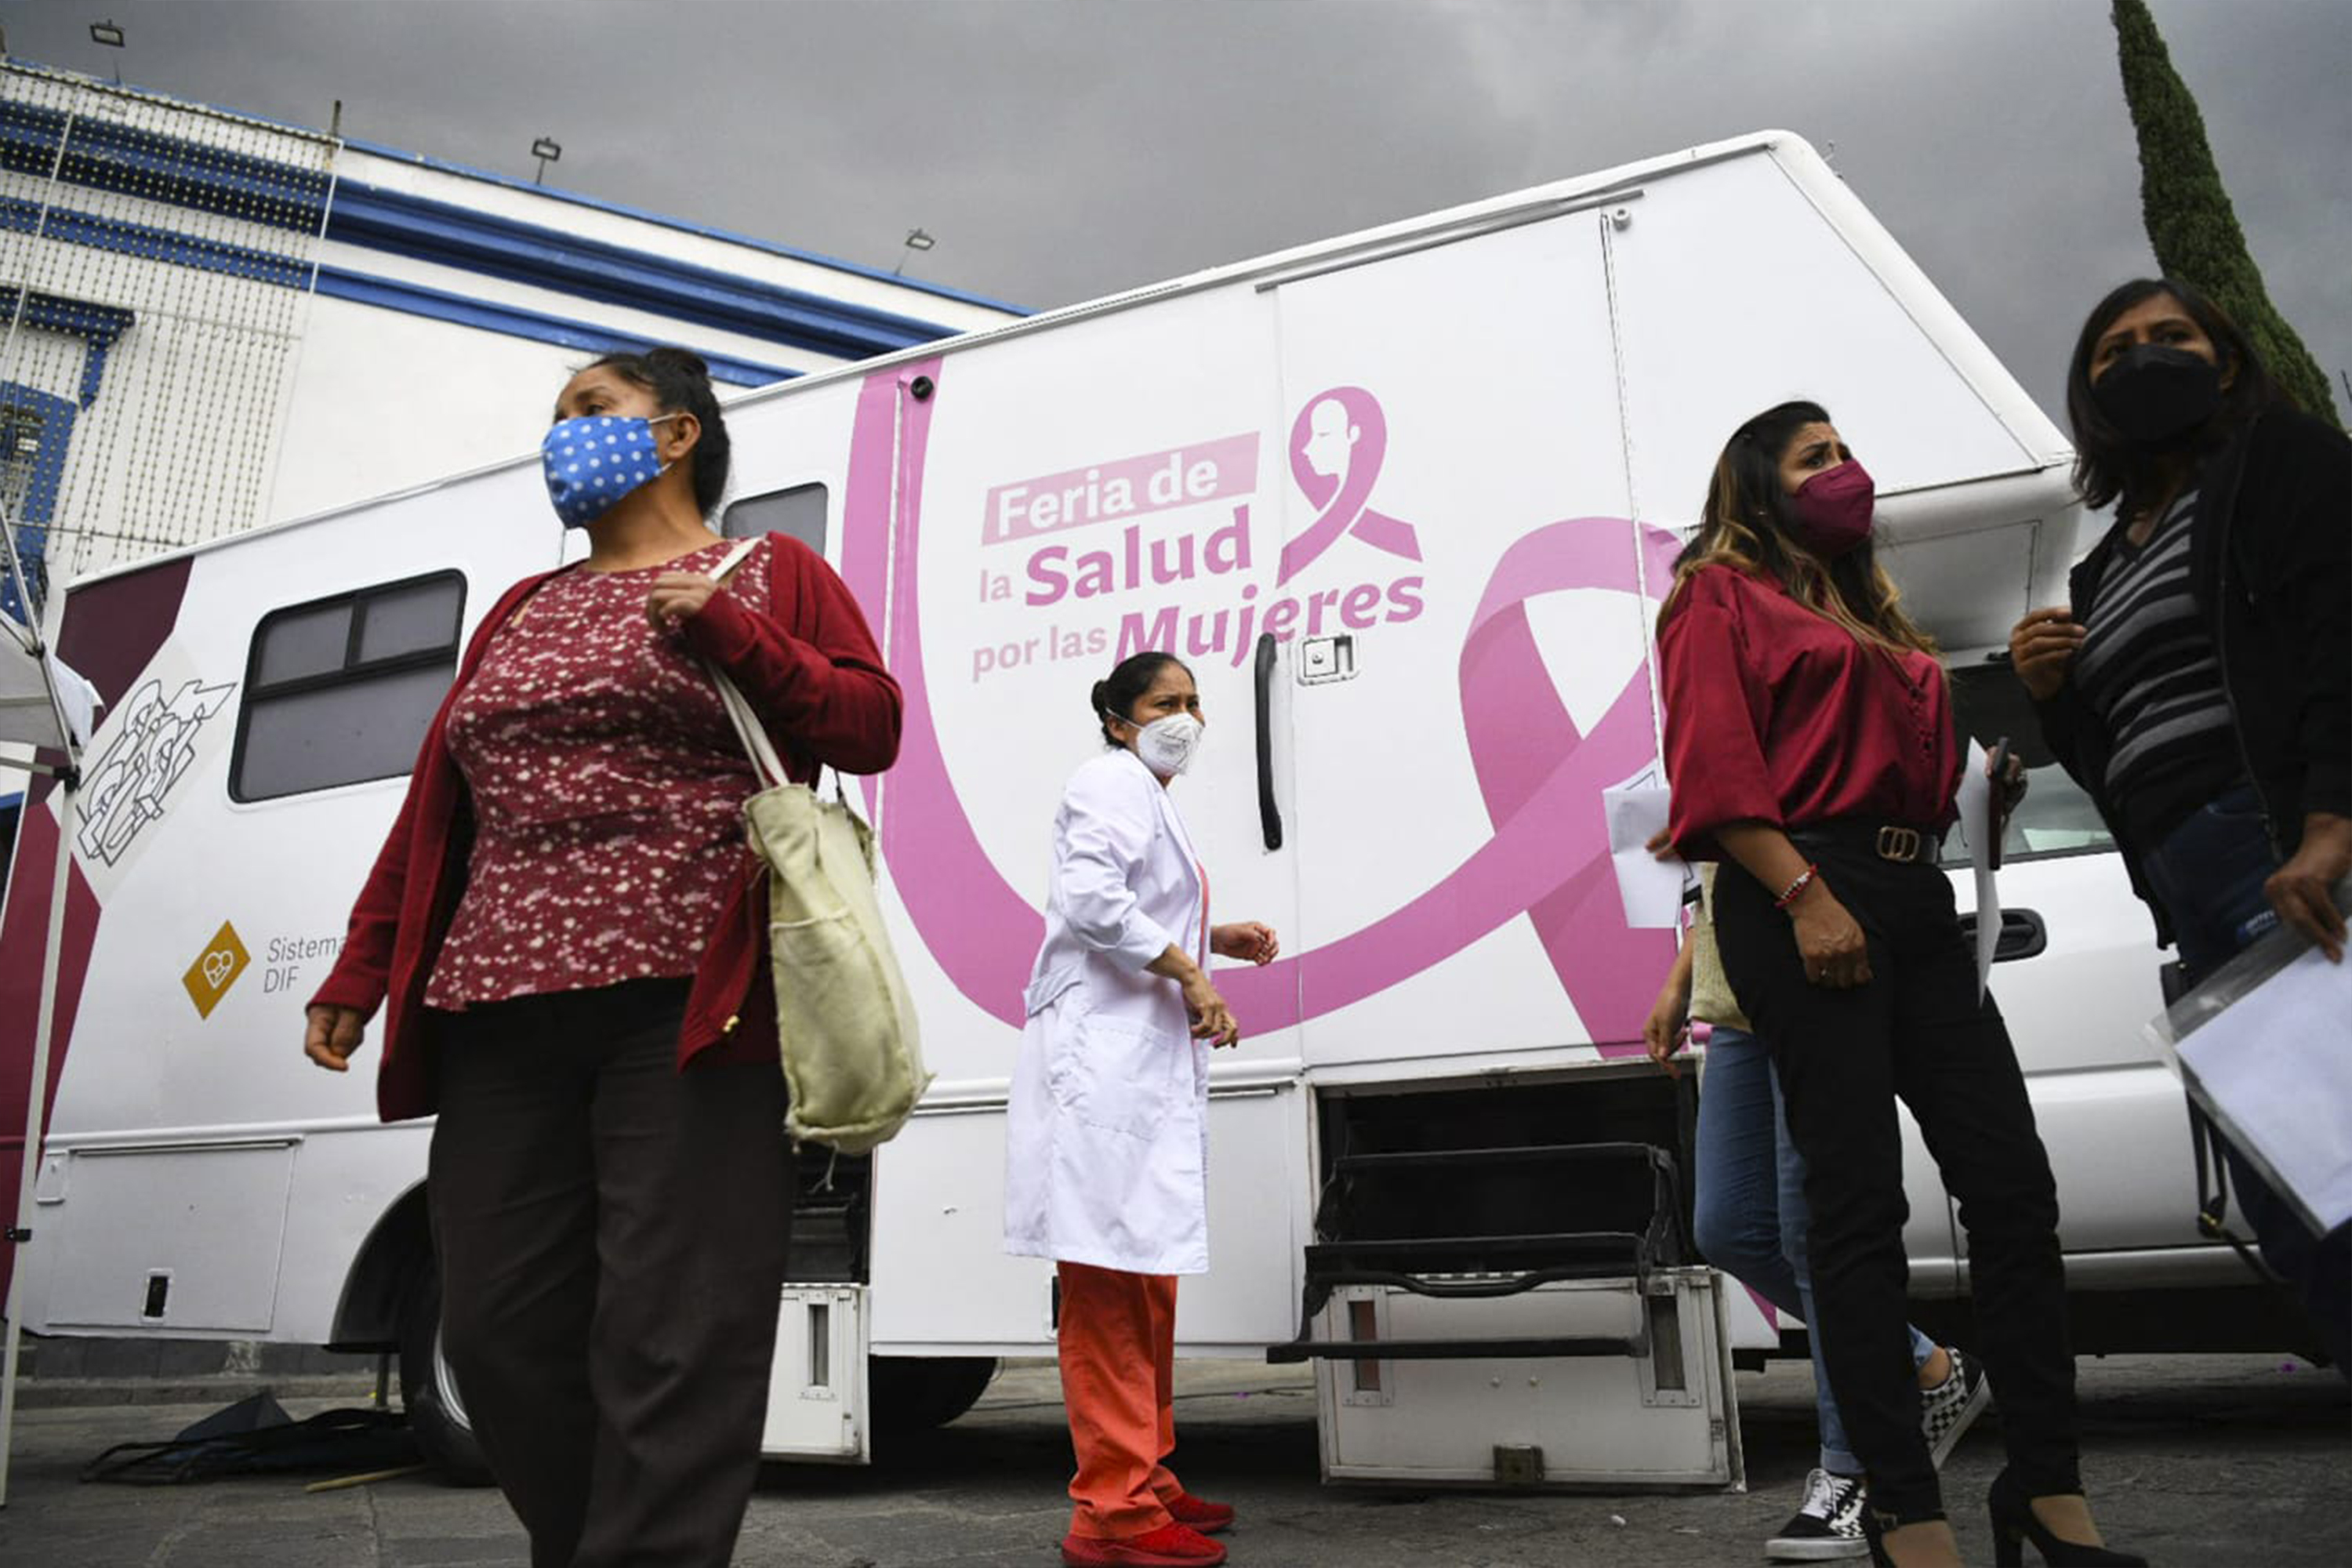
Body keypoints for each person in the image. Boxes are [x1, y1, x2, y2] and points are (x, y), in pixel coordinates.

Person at [303, 347, 902, 1566]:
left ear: (676, 435)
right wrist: (360, 972)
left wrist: (739, 638)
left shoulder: (770, 572)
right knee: (497, 1330)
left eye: (592, 410)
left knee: (675, 1330)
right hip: (495, 1005)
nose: (561, 435)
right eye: (558, 416)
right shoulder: (522, 607)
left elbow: (869, 723)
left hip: (689, 1002)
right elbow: (439, 806)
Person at [1658, 401, 2142, 1568]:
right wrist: (1805, 898)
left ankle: (2047, 1488)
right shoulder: (1716, 595)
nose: (1846, 471)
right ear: (1758, 488)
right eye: (1815, 457)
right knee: (1854, 1211)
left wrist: (1974, 796)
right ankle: (1905, 1511)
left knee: (2013, 1191)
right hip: (1805, 893)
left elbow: (1901, 777)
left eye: (1848, 451)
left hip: (1918, 897)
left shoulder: (1865, 612)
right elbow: (1716, 777)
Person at [2008, 277, 2350, 1374]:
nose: (2143, 358)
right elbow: (2119, 757)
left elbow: (2343, 642)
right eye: (2114, 350)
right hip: (2194, 893)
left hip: (2286, 858)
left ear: (2229, 362)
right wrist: (2055, 693)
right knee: (2292, 1200)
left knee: (2341, 1179)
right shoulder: (2101, 565)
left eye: (2172, 338)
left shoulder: (2281, 463)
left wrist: (2331, 824)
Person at [1004, 652, 1279, 1568]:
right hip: (1101, 1068)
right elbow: (1091, 903)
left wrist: (1216, 936)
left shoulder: (1146, 791)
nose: (1187, 717)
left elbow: (1136, 907)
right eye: (1167, 702)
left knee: (1146, 1275)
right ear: (1120, 719)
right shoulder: (1107, 779)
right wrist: (1195, 972)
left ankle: (1148, 1475)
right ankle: (1111, 1512)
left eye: (1196, 702)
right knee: (1110, 1285)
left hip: (1137, 1065)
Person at [1645, 861, 1990, 1563]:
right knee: (1730, 1228)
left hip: (1807, 974)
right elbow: (1717, 876)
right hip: (1737, 994)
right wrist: (1681, 981)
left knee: (1816, 1233)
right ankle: (1926, 1365)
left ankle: (1854, 1470)